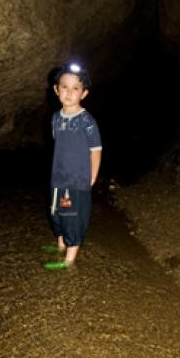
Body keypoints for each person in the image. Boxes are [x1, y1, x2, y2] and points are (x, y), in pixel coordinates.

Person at [44, 63, 102, 269]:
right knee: (56, 213)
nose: (69, 92)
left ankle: (69, 261)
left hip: (77, 180)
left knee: (72, 218)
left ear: (84, 93)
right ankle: (60, 245)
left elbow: (95, 149)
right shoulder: (55, 118)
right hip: (57, 178)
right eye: (64, 87)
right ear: (56, 90)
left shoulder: (86, 121)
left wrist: (92, 176)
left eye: (75, 88)